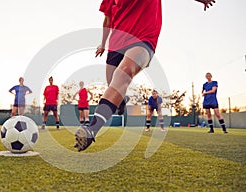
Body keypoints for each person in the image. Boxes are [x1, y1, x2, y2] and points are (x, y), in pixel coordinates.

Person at [74, 0, 216, 152]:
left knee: (123, 74)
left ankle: (91, 130)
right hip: (116, 43)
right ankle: (120, 100)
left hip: (143, 38)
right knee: (114, 85)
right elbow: (108, 19)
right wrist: (103, 43)